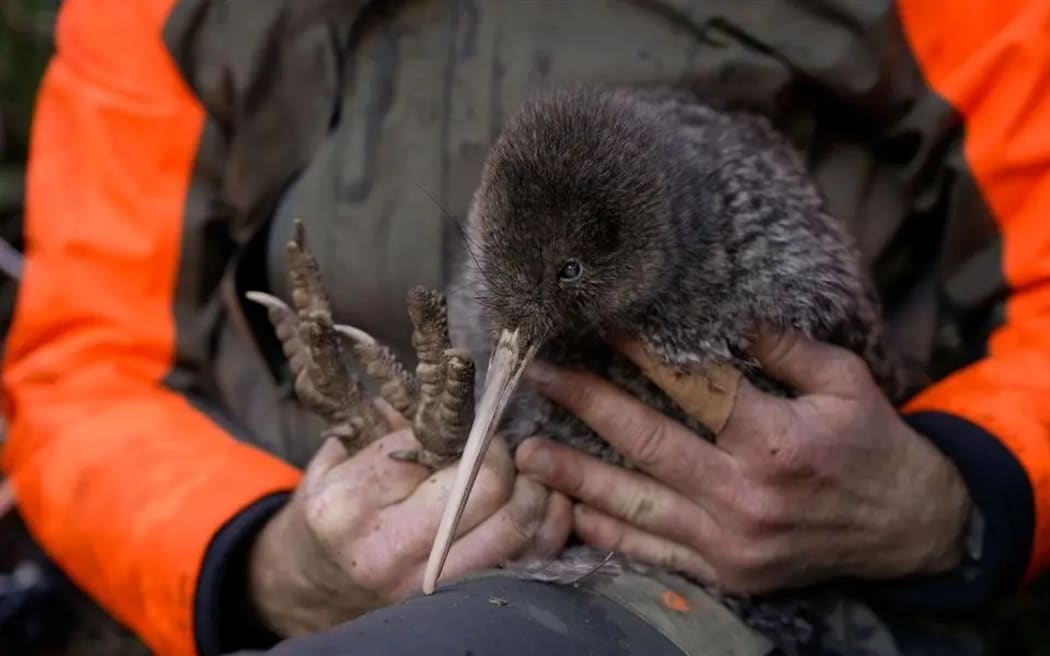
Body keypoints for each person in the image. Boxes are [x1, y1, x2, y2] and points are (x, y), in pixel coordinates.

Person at [2, 0, 1049, 654]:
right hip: (324, 546)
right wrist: (261, 560)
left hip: (752, 568)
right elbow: (85, 368)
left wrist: (948, 491)